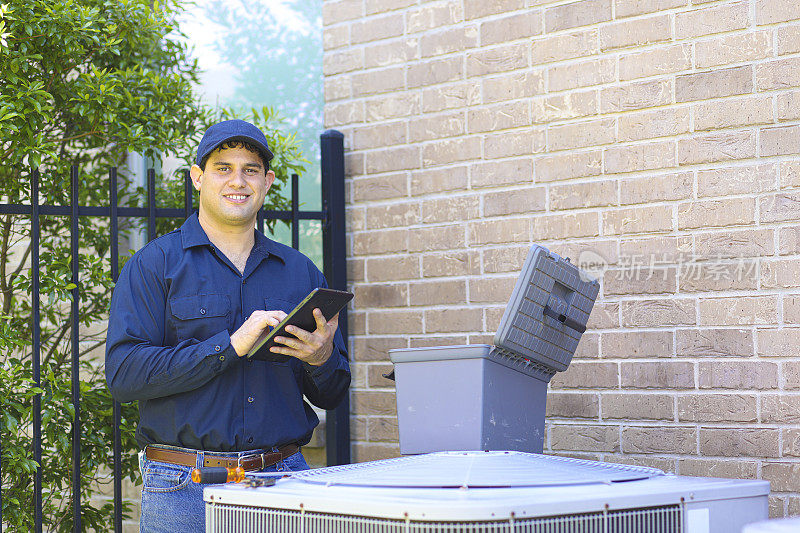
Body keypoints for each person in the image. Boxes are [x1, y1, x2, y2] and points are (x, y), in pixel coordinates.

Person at [105, 119, 350, 533]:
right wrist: (229, 346)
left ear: (267, 181)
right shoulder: (154, 264)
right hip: (184, 491)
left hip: (283, 481)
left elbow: (333, 392)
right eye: (223, 168)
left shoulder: (301, 273)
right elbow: (124, 375)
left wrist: (321, 357)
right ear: (198, 178)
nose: (238, 180)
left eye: (250, 169)